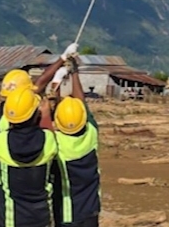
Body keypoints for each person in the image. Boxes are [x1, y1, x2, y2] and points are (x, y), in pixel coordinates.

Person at [0, 46, 77, 210]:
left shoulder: (2, 114)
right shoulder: (27, 121)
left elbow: (40, 82)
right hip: (29, 193)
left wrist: (62, 59)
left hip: (2, 188)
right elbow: (47, 134)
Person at [0, 85, 59, 227]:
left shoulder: (1, 141)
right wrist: (46, 115)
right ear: (36, 114)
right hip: (41, 217)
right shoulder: (48, 140)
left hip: (10, 218)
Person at [49, 59, 101, 227]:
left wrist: (57, 81)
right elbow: (82, 104)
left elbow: (49, 113)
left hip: (67, 213)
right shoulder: (91, 133)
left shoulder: (56, 144)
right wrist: (75, 73)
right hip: (91, 210)